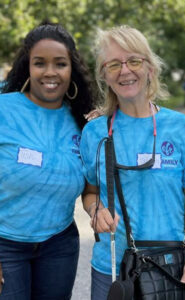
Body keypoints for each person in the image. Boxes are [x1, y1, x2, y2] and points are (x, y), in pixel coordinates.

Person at [80, 25, 185, 300]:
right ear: (104, 74)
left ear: (150, 67)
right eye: (114, 64)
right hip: (111, 270)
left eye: (134, 60)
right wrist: (95, 210)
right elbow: (90, 192)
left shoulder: (179, 126)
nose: (125, 71)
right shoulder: (95, 132)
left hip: (168, 268)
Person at [0, 21, 95, 299]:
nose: (50, 72)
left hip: (59, 244)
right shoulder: (4, 109)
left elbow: (91, 186)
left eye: (60, 64)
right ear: (27, 67)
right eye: (40, 63)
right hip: (6, 244)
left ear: (72, 69)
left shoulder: (82, 120)